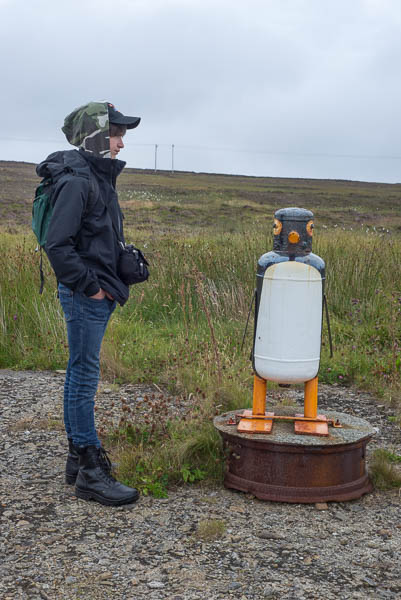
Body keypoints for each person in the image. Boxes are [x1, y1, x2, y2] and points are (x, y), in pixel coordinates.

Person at [36, 101, 140, 506]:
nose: (120, 143)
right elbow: (57, 245)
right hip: (86, 296)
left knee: (79, 373)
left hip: (95, 291)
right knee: (83, 378)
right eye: (115, 135)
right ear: (95, 136)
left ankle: (76, 461)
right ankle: (91, 473)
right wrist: (91, 287)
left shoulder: (95, 176)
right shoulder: (79, 181)